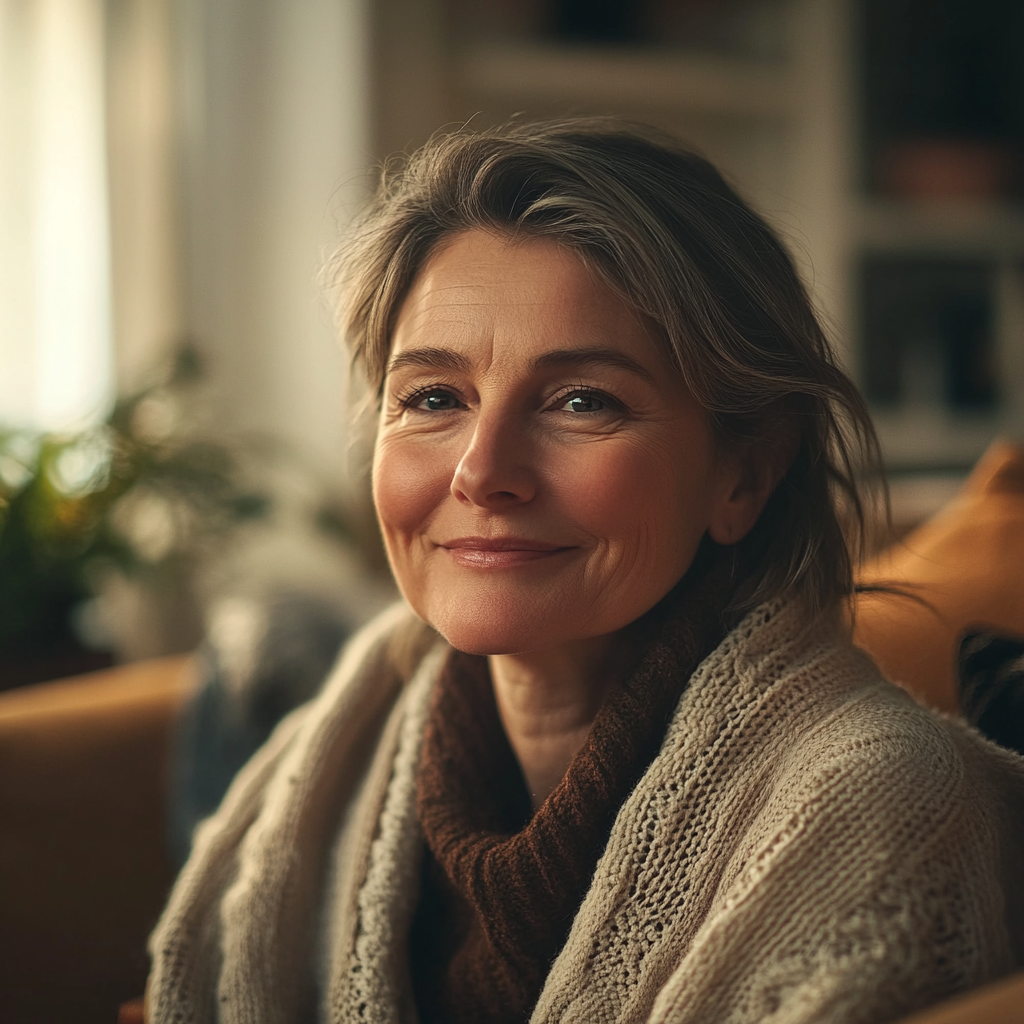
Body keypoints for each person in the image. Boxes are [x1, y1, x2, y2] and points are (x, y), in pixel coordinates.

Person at [146, 120, 1024, 1024]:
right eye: (434, 397)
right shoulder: (339, 742)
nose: (481, 472)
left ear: (743, 476)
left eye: (581, 401)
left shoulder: (879, 809)